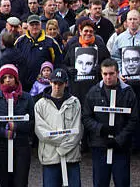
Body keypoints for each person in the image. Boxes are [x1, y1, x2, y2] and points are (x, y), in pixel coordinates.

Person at [82, 58, 139, 186]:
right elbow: (86, 117)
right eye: (105, 74)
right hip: (100, 146)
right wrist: (100, 128)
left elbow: (133, 119)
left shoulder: (128, 92)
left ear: (117, 73)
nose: (108, 77)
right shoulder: (93, 92)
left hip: (121, 147)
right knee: (100, 182)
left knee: (122, 182)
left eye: (112, 74)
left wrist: (119, 139)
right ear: (101, 74)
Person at [0, 64, 35, 187]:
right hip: (1, 146)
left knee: (21, 182)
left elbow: (33, 122)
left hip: (21, 145)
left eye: (11, 77)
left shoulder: (27, 98)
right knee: (5, 182)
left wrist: (17, 127)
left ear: (16, 78)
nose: (8, 80)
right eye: (5, 77)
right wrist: (3, 132)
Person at [34, 68, 83, 187]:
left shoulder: (75, 103)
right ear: (50, 82)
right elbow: (41, 131)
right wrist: (61, 143)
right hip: (50, 156)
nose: (57, 86)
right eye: (55, 83)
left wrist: (64, 148)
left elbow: (77, 130)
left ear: (66, 84)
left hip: (71, 157)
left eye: (60, 83)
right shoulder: (40, 104)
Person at [15, 15, 62, 91]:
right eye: (32, 25)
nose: (34, 27)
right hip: (23, 84)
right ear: (27, 26)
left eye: (36, 24)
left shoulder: (50, 42)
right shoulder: (20, 41)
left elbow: (58, 62)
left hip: (44, 85)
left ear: (40, 25)